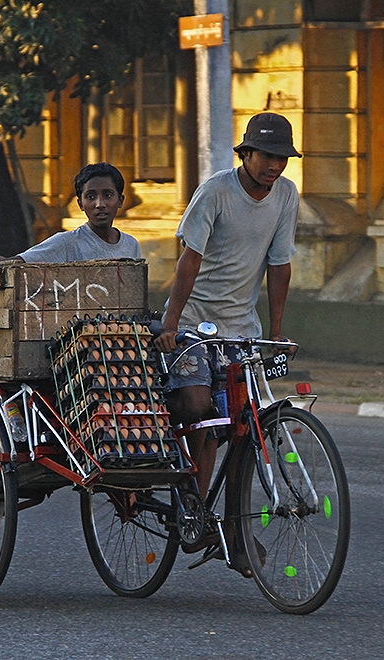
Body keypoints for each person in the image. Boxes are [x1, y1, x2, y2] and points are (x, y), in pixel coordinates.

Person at [151, 112, 301, 576]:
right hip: (193, 324)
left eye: (282, 158)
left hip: (242, 329)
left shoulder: (287, 197)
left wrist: (274, 333)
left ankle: (233, 529)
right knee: (197, 407)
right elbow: (189, 260)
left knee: (245, 427)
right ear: (246, 154)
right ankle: (191, 498)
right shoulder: (216, 191)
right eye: (266, 156)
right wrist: (171, 324)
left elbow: (279, 265)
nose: (274, 166)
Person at [0, 162, 140, 277]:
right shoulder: (67, 242)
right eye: (91, 196)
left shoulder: (131, 245)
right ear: (80, 204)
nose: (100, 204)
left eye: (108, 195)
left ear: (120, 201)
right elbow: (22, 261)